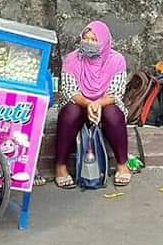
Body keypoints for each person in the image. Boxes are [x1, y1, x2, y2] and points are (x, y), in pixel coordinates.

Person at [55, 21, 132, 188]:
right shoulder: (71, 59)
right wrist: (88, 103)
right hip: (80, 103)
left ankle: (122, 165)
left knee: (113, 114)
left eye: (94, 40)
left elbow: (116, 92)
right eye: (86, 38)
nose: (88, 43)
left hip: (104, 103)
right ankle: (60, 167)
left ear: (103, 42)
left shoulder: (116, 60)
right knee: (70, 113)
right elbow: (69, 91)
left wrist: (97, 104)